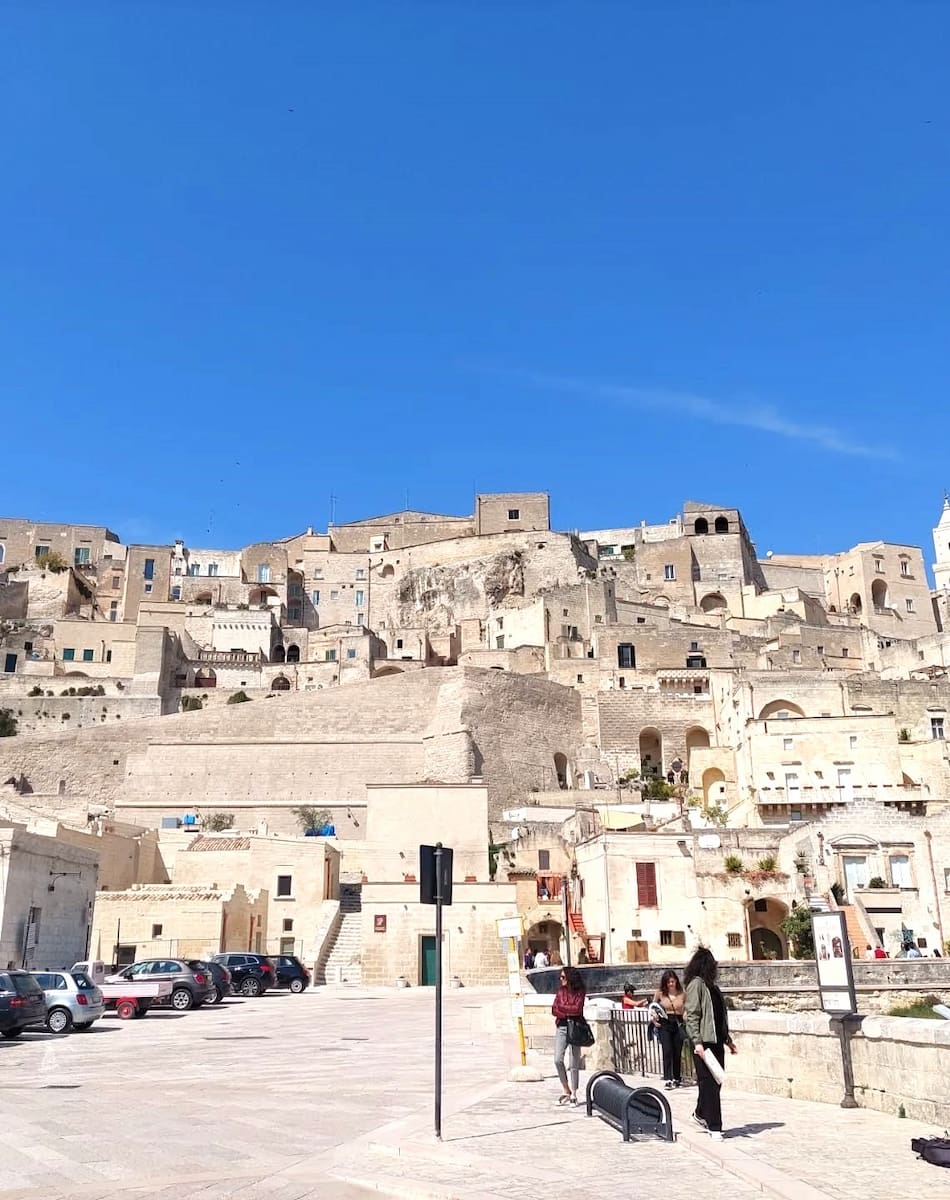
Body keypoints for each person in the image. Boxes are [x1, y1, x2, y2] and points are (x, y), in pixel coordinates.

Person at [684, 946, 736, 1141]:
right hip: (702, 1043)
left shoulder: (713, 987)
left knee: (716, 1081)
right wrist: (697, 1042)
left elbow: (719, 1016)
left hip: (715, 1042)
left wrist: (728, 1040)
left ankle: (700, 1113)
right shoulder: (696, 985)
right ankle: (715, 1127)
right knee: (708, 1083)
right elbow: (693, 1015)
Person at [552, 965, 586, 1105]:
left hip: (575, 1027)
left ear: (570, 978)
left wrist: (563, 1009)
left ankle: (574, 1093)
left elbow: (577, 1009)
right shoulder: (560, 991)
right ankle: (566, 1089)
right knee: (557, 1059)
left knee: (574, 1062)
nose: (561, 979)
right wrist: (566, 1011)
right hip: (562, 1026)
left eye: (563, 977)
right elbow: (554, 1009)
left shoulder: (580, 992)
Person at [653, 969, 686, 1090]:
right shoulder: (660, 993)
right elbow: (653, 1007)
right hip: (665, 1023)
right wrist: (654, 1019)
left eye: (672, 981)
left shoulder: (682, 993)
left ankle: (677, 1077)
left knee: (677, 1051)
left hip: (678, 1022)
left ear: (676, 981)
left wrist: (686, 1015)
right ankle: (668, 1078)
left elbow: (687, 1007)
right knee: (667, 1050)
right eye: (668, 982)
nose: (671, 984)